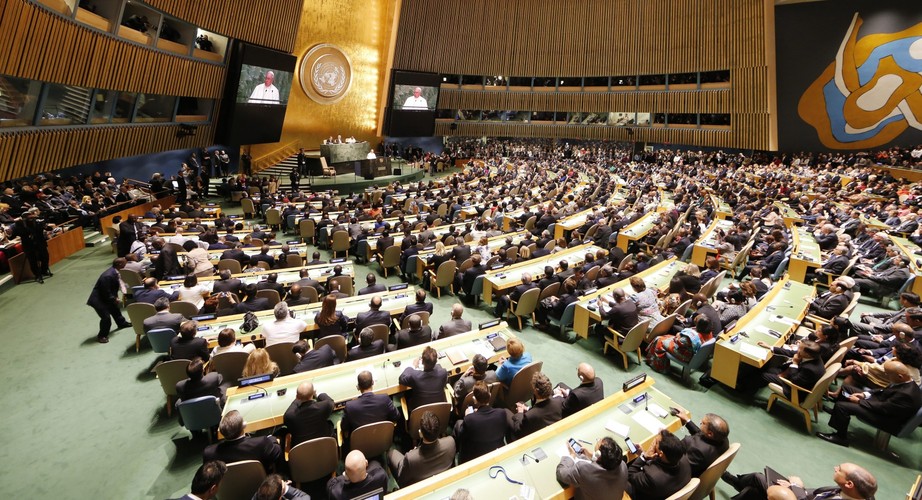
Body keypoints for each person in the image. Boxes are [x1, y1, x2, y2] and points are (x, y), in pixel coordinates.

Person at [817, 360, 922, 447]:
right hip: (883, 405)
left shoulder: (907, 394)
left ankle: (840, 437)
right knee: (846, 388)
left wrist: (859, 401)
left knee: (842, 406)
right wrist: (864, 395)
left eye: (887, 374)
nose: (886, 375)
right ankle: (837, 413)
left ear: (900, 376)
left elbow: (884, 408)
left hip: (887, 419)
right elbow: (883, 391)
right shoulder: (905, 381)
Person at [722, 462, 878, 500]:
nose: (835, 468)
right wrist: (794, 487)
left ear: (849, 484)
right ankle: (732, 480)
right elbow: (815, 494)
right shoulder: (858, 493)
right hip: (799, 495)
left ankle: (730, 479)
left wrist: (796, 488)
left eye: (839, 470)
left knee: (757, 478)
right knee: (753, 490)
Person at [387, 411, 456, 487]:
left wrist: (408, 458)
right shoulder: (451, 442)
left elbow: (402, 480)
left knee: (391, 454)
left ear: (420, 433)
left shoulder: (410, 458)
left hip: (417, 484)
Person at [203, 410, 282, 473]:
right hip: (262, 486)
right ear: (243, 426)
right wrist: (272, 439)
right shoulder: (262, 443)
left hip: (228, 491)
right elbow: (278, 452)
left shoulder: (209, 453)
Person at [453, 380, 510, 463]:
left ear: (474, 400)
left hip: (473, 456)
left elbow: (462, 437)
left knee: (458, 423)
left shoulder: (469, 419)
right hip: (495, 451)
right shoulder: (502, 413)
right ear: (490, 395)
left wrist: (467, 416)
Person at [626, 429, 692, 500]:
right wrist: (643, 453)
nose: (653, 444)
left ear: (661, 453)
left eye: (656, 443)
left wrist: (644, 457)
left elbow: (630, 473)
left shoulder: (652, 477)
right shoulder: (684, 460)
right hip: (666, 490)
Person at [556, 436, 628, 500]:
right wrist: (591, 455)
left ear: (598, 454)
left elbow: (561, 473)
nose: (598, 441)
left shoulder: (583, 469)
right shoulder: (623, 465)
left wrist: (571, 456)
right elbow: (605, 465)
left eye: (598, 441)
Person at [340, 370, 400, 442]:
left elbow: (344, 427)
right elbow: (396, 416)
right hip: (382, 441)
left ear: (358, 387)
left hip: (361, 445)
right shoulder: (384, 399)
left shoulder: (350, 406)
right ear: (373, 382)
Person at [86, 257, 131, 343]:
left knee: (115, 310)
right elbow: (105, 291)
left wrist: (114, 298)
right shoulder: (108, 276)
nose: (126, 264)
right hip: (99, 301)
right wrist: (114, 299)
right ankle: (102, 336)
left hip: (107, 298)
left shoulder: (114, 272)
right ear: (120, 264)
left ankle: (122, 323)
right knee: (106, 318)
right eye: (125, 263)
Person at [674, 410, 730, 477]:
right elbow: (701, 433)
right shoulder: (723, 440)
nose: (700, 422)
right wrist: (687, 420)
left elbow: (680, 466)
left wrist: (667, 439)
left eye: (703, 423)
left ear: (710, 433)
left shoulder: (698, 450)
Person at [511, 372, 563, 439]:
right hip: (549, 429)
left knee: (506, 412)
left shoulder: (529, 416)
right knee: (521, 403)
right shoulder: (559, 400)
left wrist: (520, 412)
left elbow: (518, 431)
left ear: (535, 391)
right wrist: (527, 408)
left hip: (533, 437)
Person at [284, 381, 335, 448]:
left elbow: (289, 412)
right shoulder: (324, 407)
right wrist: (318, 394)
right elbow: (330, 401)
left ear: (297, 396)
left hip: (302, 454)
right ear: (312, 394)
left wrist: (298, 398)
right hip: (325, 449)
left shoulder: (290, 416)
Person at [398, 346, 448, 412]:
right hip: (438, 411)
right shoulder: (443, 373)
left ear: (422, 362)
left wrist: (413, 366)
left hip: (418, 412)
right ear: (436, 362)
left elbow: (401, 379)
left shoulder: (415, 376)